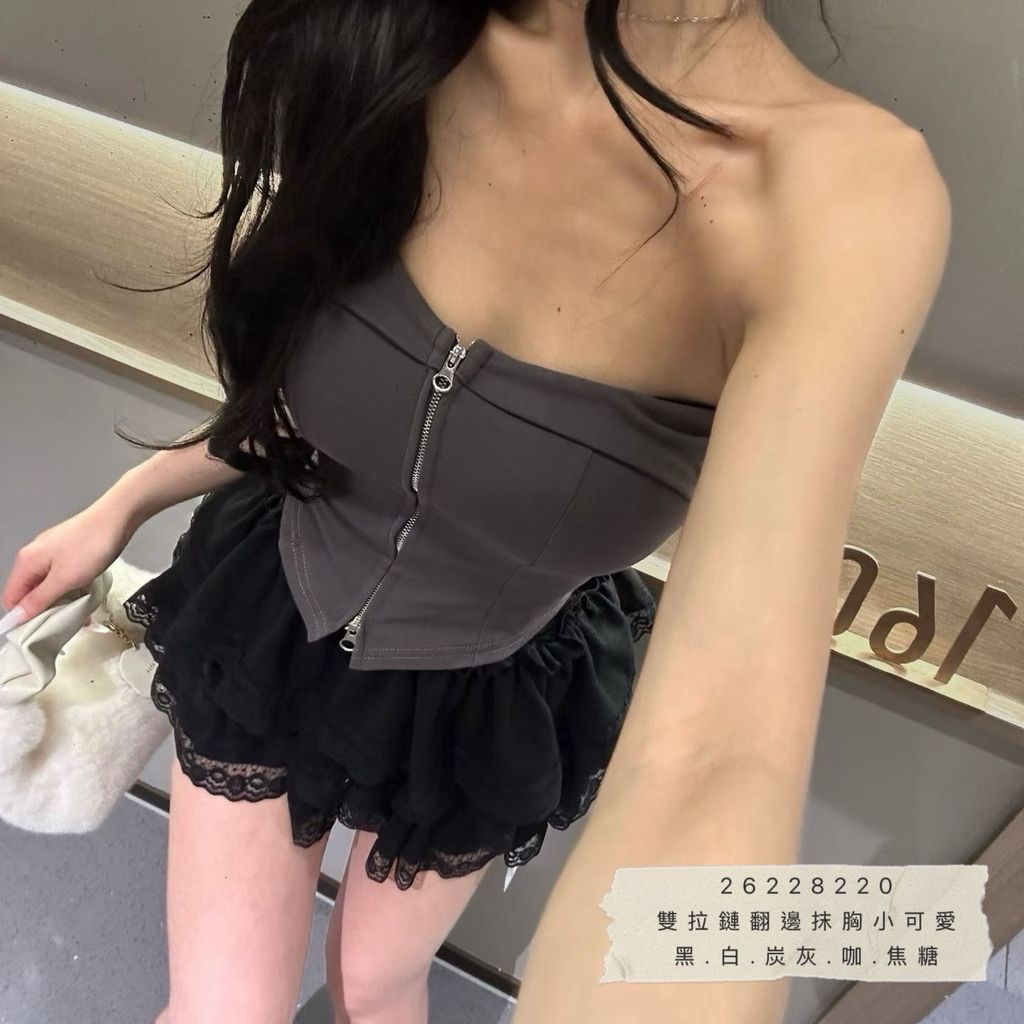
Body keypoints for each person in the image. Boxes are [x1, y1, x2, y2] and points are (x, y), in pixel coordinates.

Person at [1, 0, 950, 1022]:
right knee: (222, 1008)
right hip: (273, 620)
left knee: (377, 981)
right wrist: (124, 500)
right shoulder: (388, 35)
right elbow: (306, 405)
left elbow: (712, 763)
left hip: (486, 702)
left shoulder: (838, 198)